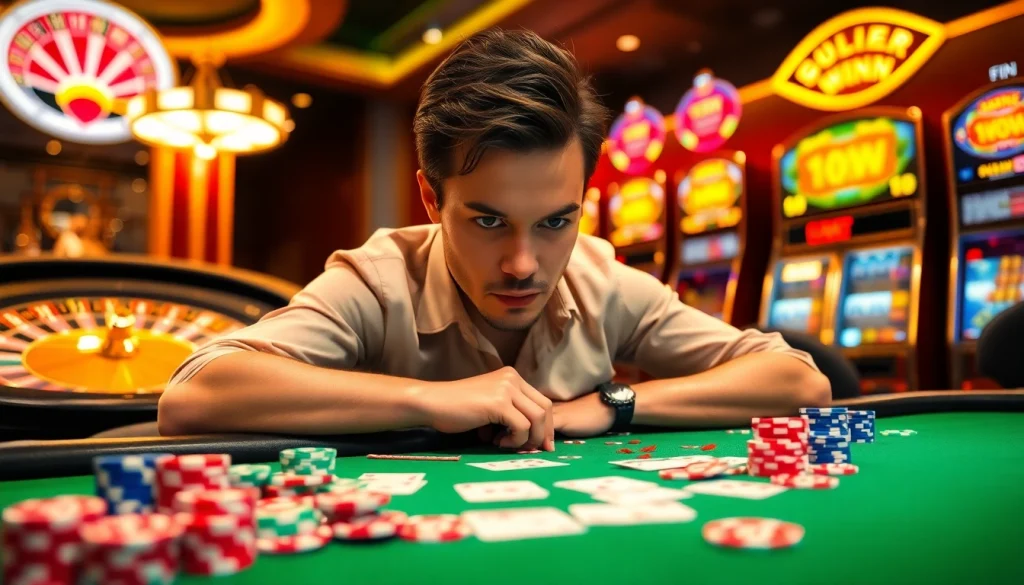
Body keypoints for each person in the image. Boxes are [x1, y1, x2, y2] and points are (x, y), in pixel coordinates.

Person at [159, 29, 830, 450]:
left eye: (555, 221)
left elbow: (799, 379)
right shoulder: (376, 278)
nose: (523, 264)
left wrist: (607, 405)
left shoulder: (602, 280)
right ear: (431, 198)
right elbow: (194, 394)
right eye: (487, 220)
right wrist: (430, 398)